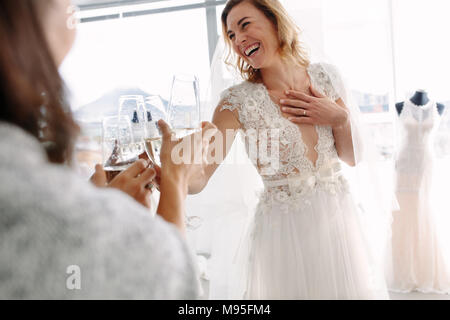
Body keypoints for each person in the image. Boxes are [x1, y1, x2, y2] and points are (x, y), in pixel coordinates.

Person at [0, 0, 216, 299]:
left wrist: (101, 206)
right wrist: (174, 180)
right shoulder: (68, 217)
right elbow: (172, 287)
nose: (73, 12)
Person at [190, 0, 391, 299]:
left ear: (275, 21)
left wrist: (339, 118)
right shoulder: (236, 102)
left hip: (338, 226)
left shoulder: (326, 77)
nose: (238, 39)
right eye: (231, 35)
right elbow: (201, 176)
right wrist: (168, 172)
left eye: (244, 25)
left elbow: (351, 157)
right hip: (284, 236)